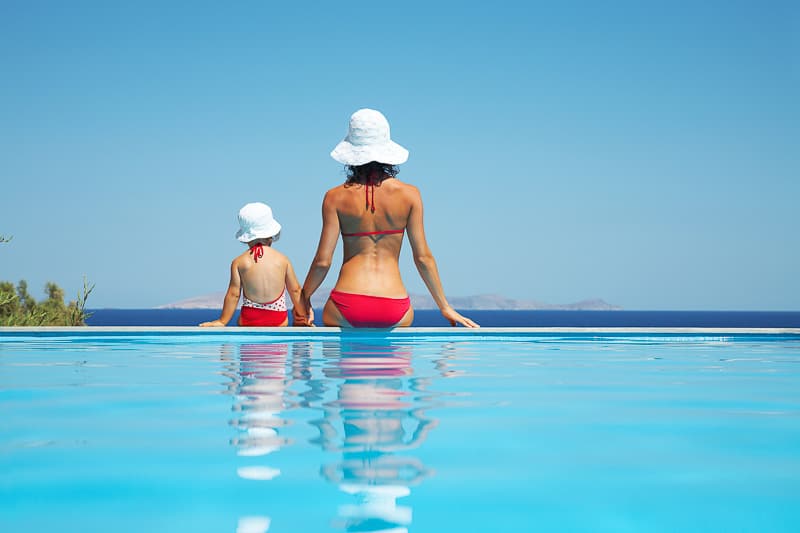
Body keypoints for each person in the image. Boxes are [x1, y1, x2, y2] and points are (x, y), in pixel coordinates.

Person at [298, 108, 478, 328]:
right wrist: (444, 306)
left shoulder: (334, 197)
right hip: (395, 306)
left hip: (346, 303)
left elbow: (322, 262)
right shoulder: (410, 195)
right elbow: (423, 258)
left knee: (338, 360)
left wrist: (303, 297)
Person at [200, 202, 303, 327]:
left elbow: (234, 294)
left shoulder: (239, 262)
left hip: (249, 318)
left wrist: (222, 321)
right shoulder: (282, 260)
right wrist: (303, 317)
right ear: (271, 234)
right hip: (278, 320)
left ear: (247, 237)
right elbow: (295, 290)